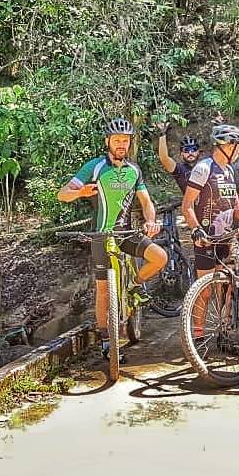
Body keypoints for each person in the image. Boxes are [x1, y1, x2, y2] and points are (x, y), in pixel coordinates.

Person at [57, 118, 168, 360]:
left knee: (160, 257)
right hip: (101, 236)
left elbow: (147, 203)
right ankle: (107, 342)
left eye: (125, 141)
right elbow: (62, 194)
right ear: (107, 141)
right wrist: (81, 192)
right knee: (104, 291)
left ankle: (134, 284)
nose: (121, 144)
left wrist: (151, 221)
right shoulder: (95, 167)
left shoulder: (134, 170)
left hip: (126, 233)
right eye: (117, 140)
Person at [181, 124, 239, 278]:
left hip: (226, 238)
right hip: (206, 238)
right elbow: (187, 205)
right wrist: (195, 229)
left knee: (226, 287)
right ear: (227, 146)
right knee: (204, 293)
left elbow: (236, 206)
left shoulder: (229, 170)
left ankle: (224, 304)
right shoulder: (204, 168)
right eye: (237, 147)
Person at [156, 121, 201, 193]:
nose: (190, 153)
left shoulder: (206, 167)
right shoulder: (179, 169)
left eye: (193, 149)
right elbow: (164, 158)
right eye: (186, 150)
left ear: (198, 151)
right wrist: (162, 134)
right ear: (181, 153)